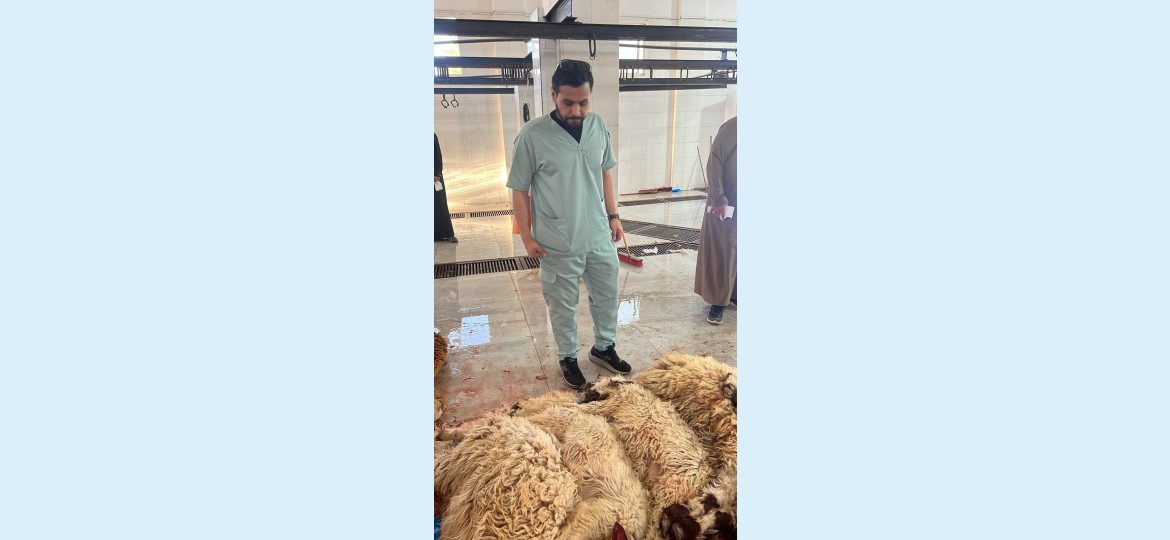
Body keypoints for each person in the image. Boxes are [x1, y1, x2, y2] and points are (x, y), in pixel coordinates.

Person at [506, 59, 631, 389]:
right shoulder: (532, 136)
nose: (577, 110)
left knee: (606, 294)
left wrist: (614, 216)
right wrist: (526, 236)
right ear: (553, 95)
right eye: (568, 102)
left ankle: (604, 347)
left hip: (597, 232)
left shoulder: (597, 126)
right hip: (558, 237)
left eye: (584, 102)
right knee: (562, 303)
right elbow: (519, 189)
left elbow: (605, 171)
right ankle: (568, 357)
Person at [695, 116, 737, 324]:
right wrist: (719, 197)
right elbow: (715, 162)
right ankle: (718, 302)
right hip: (726, 203)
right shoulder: (734, 126)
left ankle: (733, 294)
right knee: (723, 251)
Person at [434, 133, 458, 243]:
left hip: (434, 176)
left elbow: (437, 155)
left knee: (440, 204)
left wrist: (437, 173)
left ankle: (448, 234)